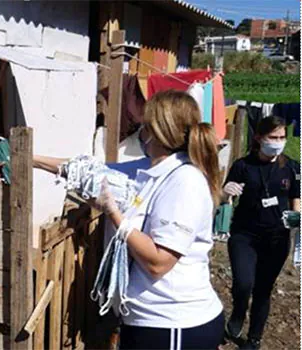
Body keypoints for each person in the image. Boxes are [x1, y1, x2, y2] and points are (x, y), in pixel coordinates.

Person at [34, 90, 224, 349]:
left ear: (155, 130)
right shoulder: (148, 169)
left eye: (144, 123)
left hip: (175, 324)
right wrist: (27, 158)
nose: (139, 129)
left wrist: (113, 213)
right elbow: (87, 170)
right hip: (146, 320)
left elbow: (159, 263)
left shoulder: (185, 182)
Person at [222, 116, 300, 350]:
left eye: (282, 137)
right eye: (272, 137)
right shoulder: (243, 166)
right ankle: (238, 311)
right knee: (244, 283)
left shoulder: (292, 167)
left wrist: (296, 217)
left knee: (264, 289)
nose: (278, 142)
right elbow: (224, 198)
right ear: (259, 138)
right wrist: (225, 193)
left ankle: (254, 338)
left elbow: (297, 196)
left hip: (276, 237)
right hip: (244, 235)